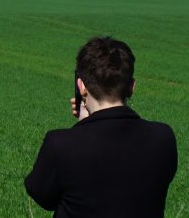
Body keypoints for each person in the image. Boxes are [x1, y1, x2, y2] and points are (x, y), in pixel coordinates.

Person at [24, 36, 177, 216]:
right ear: (131, 87)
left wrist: (83, 127)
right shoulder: (162, 137)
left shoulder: (60, 144)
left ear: (81, 86)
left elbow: (42, 195)